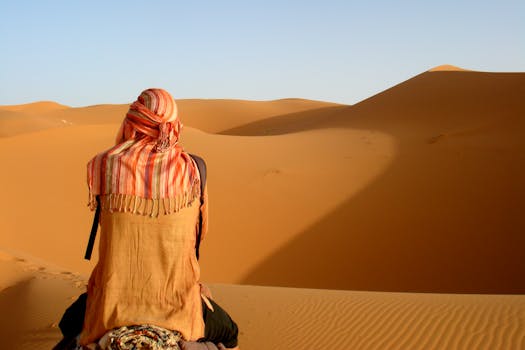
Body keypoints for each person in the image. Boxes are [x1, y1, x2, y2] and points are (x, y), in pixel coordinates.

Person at [77, 88, 239, 349]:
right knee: (230, 334)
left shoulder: (105, 165)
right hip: (178, 305)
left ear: (132, 122)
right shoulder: (194, 170)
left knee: (67, 324)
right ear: (173, 125)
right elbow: (199, 235)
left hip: (110, 306)